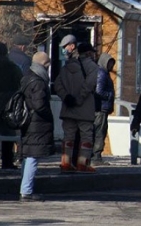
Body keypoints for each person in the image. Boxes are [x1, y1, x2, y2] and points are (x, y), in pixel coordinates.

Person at [54, 42, 99, 173]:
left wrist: (66, 97)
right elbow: (89, 85)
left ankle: (65, 162)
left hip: (68, 107)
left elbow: (57, 85)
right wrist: (79, 99)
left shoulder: (66, 66)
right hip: (84, 107)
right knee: (86, 135)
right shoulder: (92, 67)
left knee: (68, 135)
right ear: (89, 53)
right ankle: (82, 163)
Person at [19, 52, 55, 202]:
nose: (48, 68)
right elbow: (40, 104)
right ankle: (26, 190)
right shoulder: (38, 81)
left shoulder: (27, 77)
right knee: (33, 156)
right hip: (37, 123)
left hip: (28, 121)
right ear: (43, 65)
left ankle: (25, 187)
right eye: (47, 65)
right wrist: (48, 115)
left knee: (28, 155)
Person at [92, 53, 116, 166]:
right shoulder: (101, 73)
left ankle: (95, 156)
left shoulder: (104, 73)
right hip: (101, 108)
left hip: (102, 108)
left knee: (100, 131)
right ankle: (96, 157)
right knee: (99, 132)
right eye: (110, 63)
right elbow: (99, 91)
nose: (111, 65)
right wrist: (110, 95)